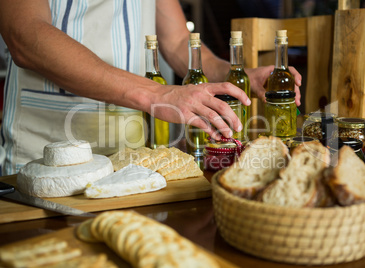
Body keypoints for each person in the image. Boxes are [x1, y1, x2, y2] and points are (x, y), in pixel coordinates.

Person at [0, 0, 301, 175]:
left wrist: (240, 75)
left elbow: (177, 42)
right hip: (48, 151)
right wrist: (159, 94)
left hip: (134, 157)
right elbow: (24, 35)